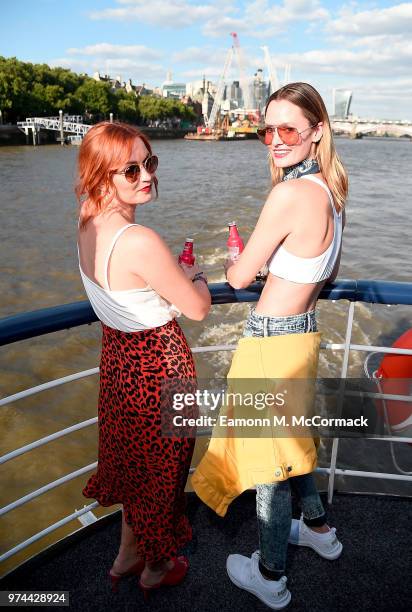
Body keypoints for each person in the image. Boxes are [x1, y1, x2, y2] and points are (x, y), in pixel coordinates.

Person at [223, 82, 348, 609]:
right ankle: (319, 532)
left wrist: (236, 264)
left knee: (269, 467)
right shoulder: (332, 190)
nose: (274, 139)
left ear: (316, 131)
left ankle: (271, 575)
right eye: (266, 129)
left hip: (271, 341)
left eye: (287, 129)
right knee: (291, 446)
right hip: (304, 333)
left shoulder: (288, 193)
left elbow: (237, 277)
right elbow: (326, 268)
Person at [75, 121, 211, 598]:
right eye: (130, 169)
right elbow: (196, 309)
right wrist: (194, 275)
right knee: (162, 474)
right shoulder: (139, 240)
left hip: (118, 359)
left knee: (135, 464)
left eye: (149, 162)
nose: (146, 176)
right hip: (158, 366)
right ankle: (156, 567)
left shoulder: (87, 221)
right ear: (99, 175)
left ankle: (126, 555)